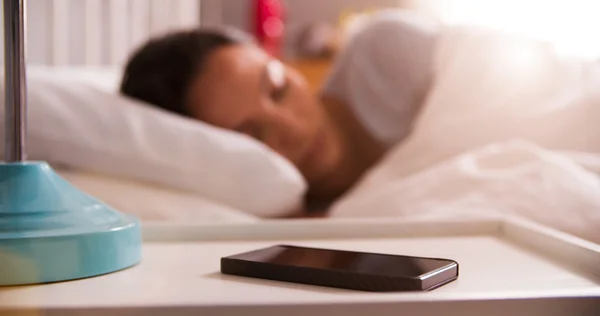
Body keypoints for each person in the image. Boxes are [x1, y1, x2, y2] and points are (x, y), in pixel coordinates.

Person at [120, 10, 440, 209]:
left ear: (284, 63)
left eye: (277, 89)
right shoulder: (281, 230)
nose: (292, 129)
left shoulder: (387, 54)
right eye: (251, 135)